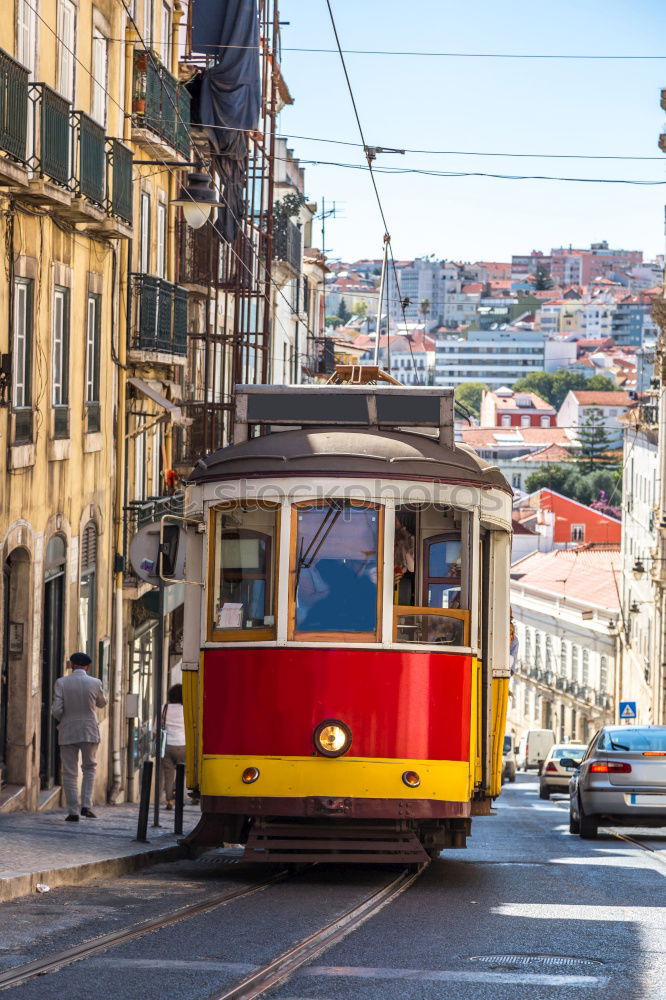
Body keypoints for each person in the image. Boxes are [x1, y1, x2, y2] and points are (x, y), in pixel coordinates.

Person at [52, 652, 107, 822]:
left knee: (69, 772)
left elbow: (56, 709)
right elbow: (102, 703)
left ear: (72, 664)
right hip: (89, 730)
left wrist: (65, 721)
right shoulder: (95, 682)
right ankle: (86, 805)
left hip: (68, 730)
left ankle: (73, 811)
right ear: (87, 667)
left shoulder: (61, 682)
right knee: (89, 768)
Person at [162, 684, 186, 810]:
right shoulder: (186, 709)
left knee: (168, 774)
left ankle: (169, 800)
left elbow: (156, 730)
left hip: (168, 745)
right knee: (182, 773)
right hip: (183, 745)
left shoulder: (164, 708)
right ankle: (178, 794)